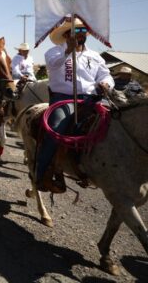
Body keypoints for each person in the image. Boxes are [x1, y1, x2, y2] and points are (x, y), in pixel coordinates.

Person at [37, 18, 114, 193]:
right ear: (66, 35)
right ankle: (40, 174)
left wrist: (106, 83)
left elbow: (106, 75)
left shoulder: (95, 56)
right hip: (64, 99)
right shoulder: (54, 52)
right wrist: (67, 52)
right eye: (75, 31)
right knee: (55, 130)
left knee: (115, 124)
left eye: (82, 31)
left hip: (91, 99)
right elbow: (53, 65)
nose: (79, 34)